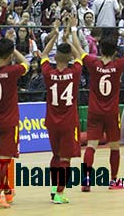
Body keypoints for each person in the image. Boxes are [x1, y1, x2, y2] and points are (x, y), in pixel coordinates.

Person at [71, 14, 124, 191]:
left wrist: (73, 28)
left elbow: (78, 49)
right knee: (114, 147)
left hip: (94, 111)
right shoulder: (118, 65)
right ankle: (114, 181)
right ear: (115, 51)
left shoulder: (93, 63)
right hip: (111, 112)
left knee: (91, 146)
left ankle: (86, 180)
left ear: (100, 50)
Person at [0, 38, 30, 209]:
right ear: (10, 55)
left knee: (0, 159)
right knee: (4, 160)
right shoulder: (13, 71)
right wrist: (14, 50)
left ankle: (7, 191)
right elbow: (27, 63)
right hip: (9, 122)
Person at [41, 20, 82, 204]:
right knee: (66, 158)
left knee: (56, 155)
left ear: (55, 56)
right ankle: (59, 193)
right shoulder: (74, 72)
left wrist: (55, 34)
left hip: (51, 120)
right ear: (69, 58)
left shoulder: (48, 72)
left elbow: (43, 54)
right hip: (68, 121)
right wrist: (71, 33)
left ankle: (52, 188)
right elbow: (80, 55)